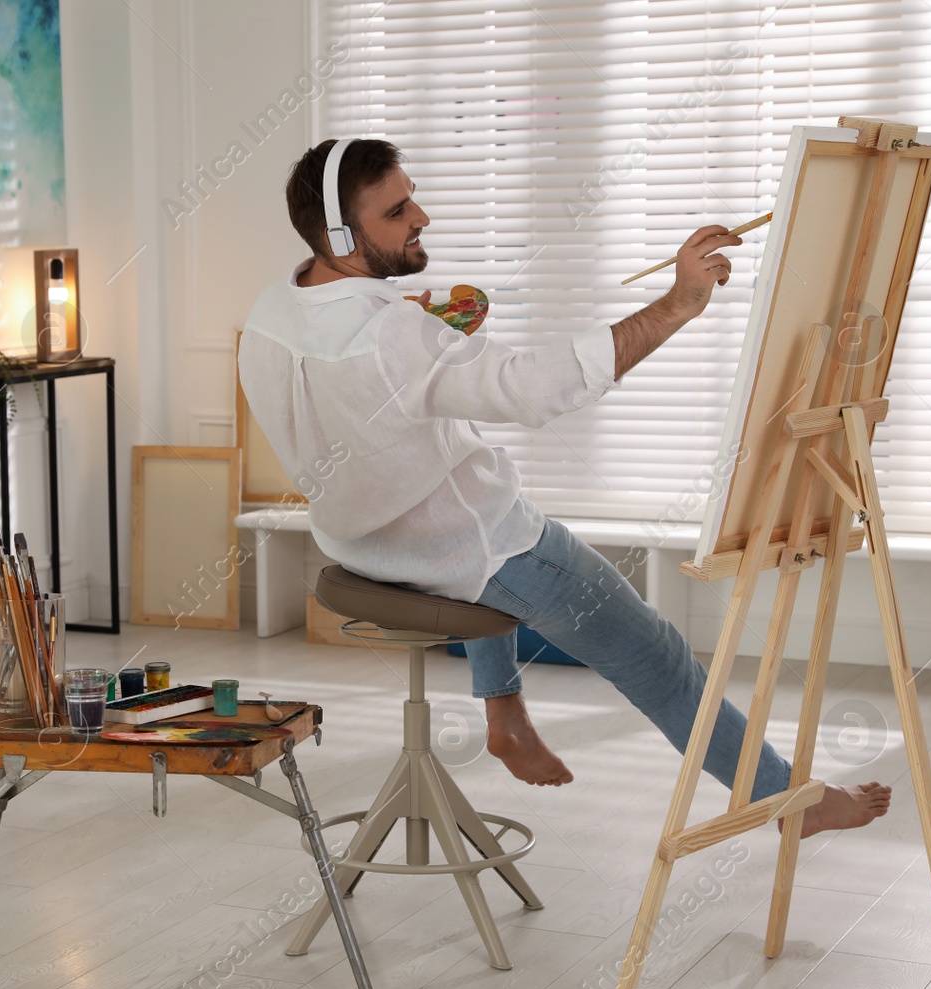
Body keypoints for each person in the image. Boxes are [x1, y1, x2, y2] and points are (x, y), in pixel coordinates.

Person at [238, 137, 890, 837]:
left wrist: (431, 340)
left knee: (482, 496)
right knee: (658, 656)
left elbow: (359, 386)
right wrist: (677, 304)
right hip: (466, 548)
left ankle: (504, 712)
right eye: (397, 212)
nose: (421, 216)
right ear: (340, 233)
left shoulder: (273, 310)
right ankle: (789, 801)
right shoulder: (395, 335)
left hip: (363, 544)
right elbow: (533, 391)